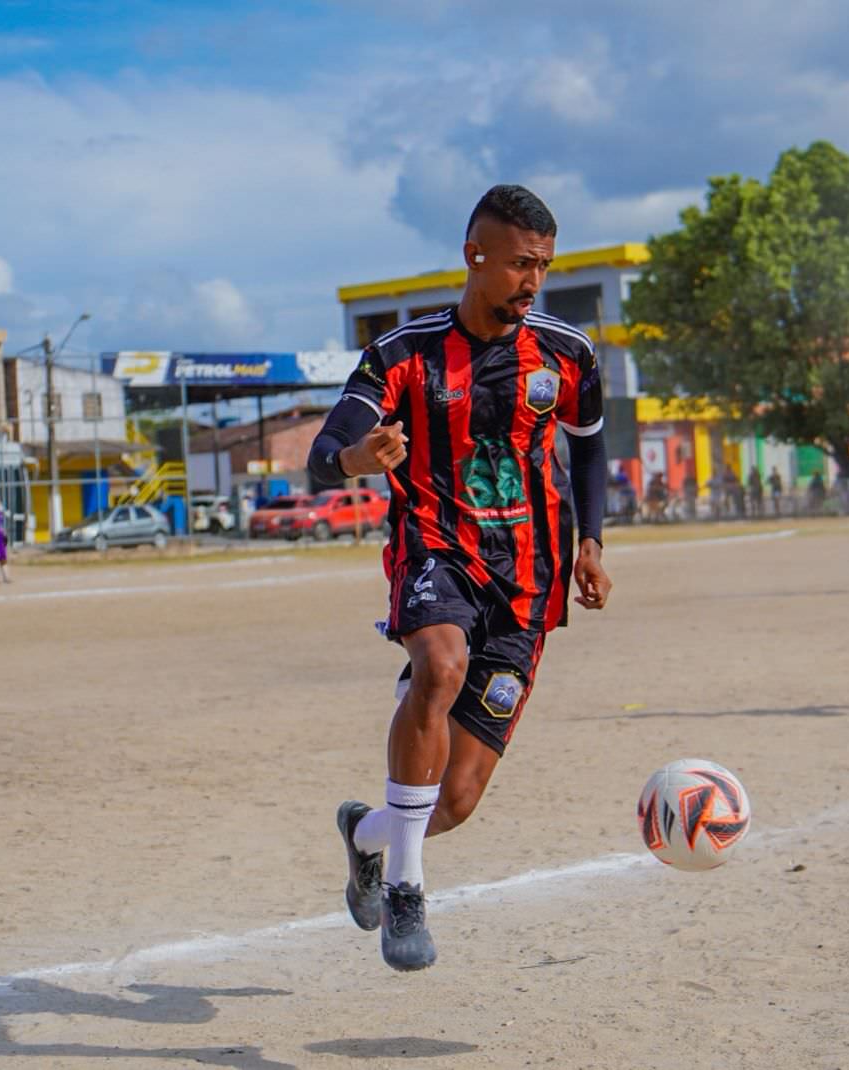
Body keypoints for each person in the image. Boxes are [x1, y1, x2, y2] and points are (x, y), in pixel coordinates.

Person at [307, 184, 611, 972]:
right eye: (519, 264)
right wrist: (356, 458)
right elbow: (322, 455)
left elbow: (588, 446)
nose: (532, 281)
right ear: (475, 255)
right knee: (439, 668)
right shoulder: (401, 355)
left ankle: (366, 835)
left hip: (529, 580)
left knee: (457, 801)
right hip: (436, 550)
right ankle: (406, 890)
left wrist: (592, 541)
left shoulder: (568, 354)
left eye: (543, 266)